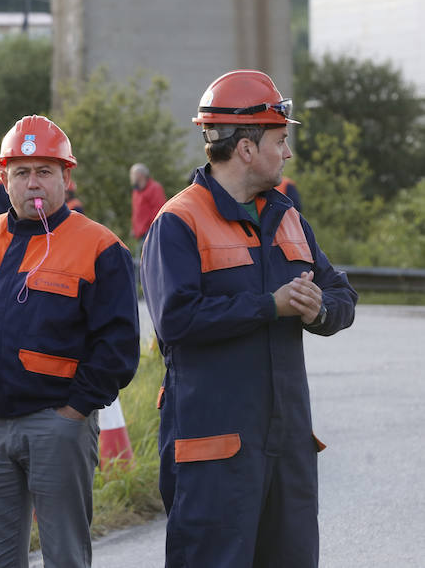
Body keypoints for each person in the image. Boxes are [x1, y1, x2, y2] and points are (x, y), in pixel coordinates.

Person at [141, 70, 358, 567]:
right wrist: (270, 306)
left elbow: (341, 292)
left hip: (286, 448)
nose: (287, 153)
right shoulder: (178, 222)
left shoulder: (287, 217)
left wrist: (319, 310)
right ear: (245, 147)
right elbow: (175, 322)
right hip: (214, 452)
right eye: (280, 141)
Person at [0, 115, 140, 567]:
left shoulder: (100, 247)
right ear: (3, 177)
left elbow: (119, 344)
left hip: (57, 424)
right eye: (22, 172)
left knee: (65, 556)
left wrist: (76, 409)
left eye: (45, 172)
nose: (33, 184)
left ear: (65, 178)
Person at [129, 162, 167, 243]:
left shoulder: (155, 188)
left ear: (140, 175)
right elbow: (136, 212)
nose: (131, 177)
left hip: (152, 231)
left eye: (133, 174)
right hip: (141, 233)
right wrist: (135, 228)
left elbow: (159, 209)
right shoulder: (136, 191)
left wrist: (150, 227)